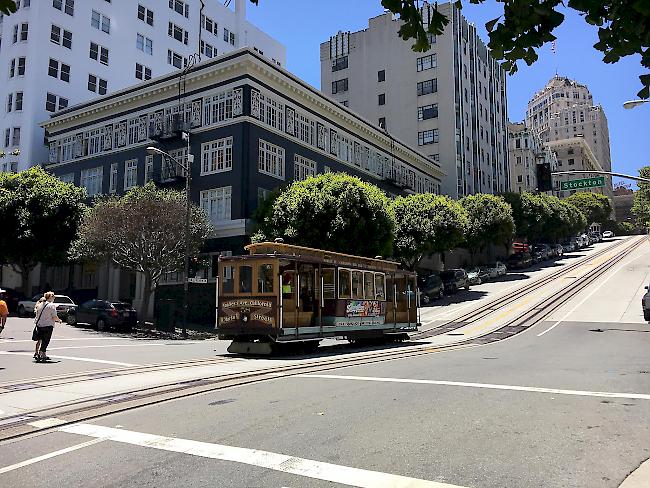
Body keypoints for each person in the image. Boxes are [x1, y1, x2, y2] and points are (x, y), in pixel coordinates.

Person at [33, 292, 61, 362]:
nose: (54, 297)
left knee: (41, 339)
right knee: (46, 341)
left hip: (39, 325)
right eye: (53, 296)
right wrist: (59, 320)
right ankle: (41, 353)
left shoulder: (40, 305)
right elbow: (54, 317)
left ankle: (42, 354)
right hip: (47, 325)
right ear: (50, 297)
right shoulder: (51, 305)